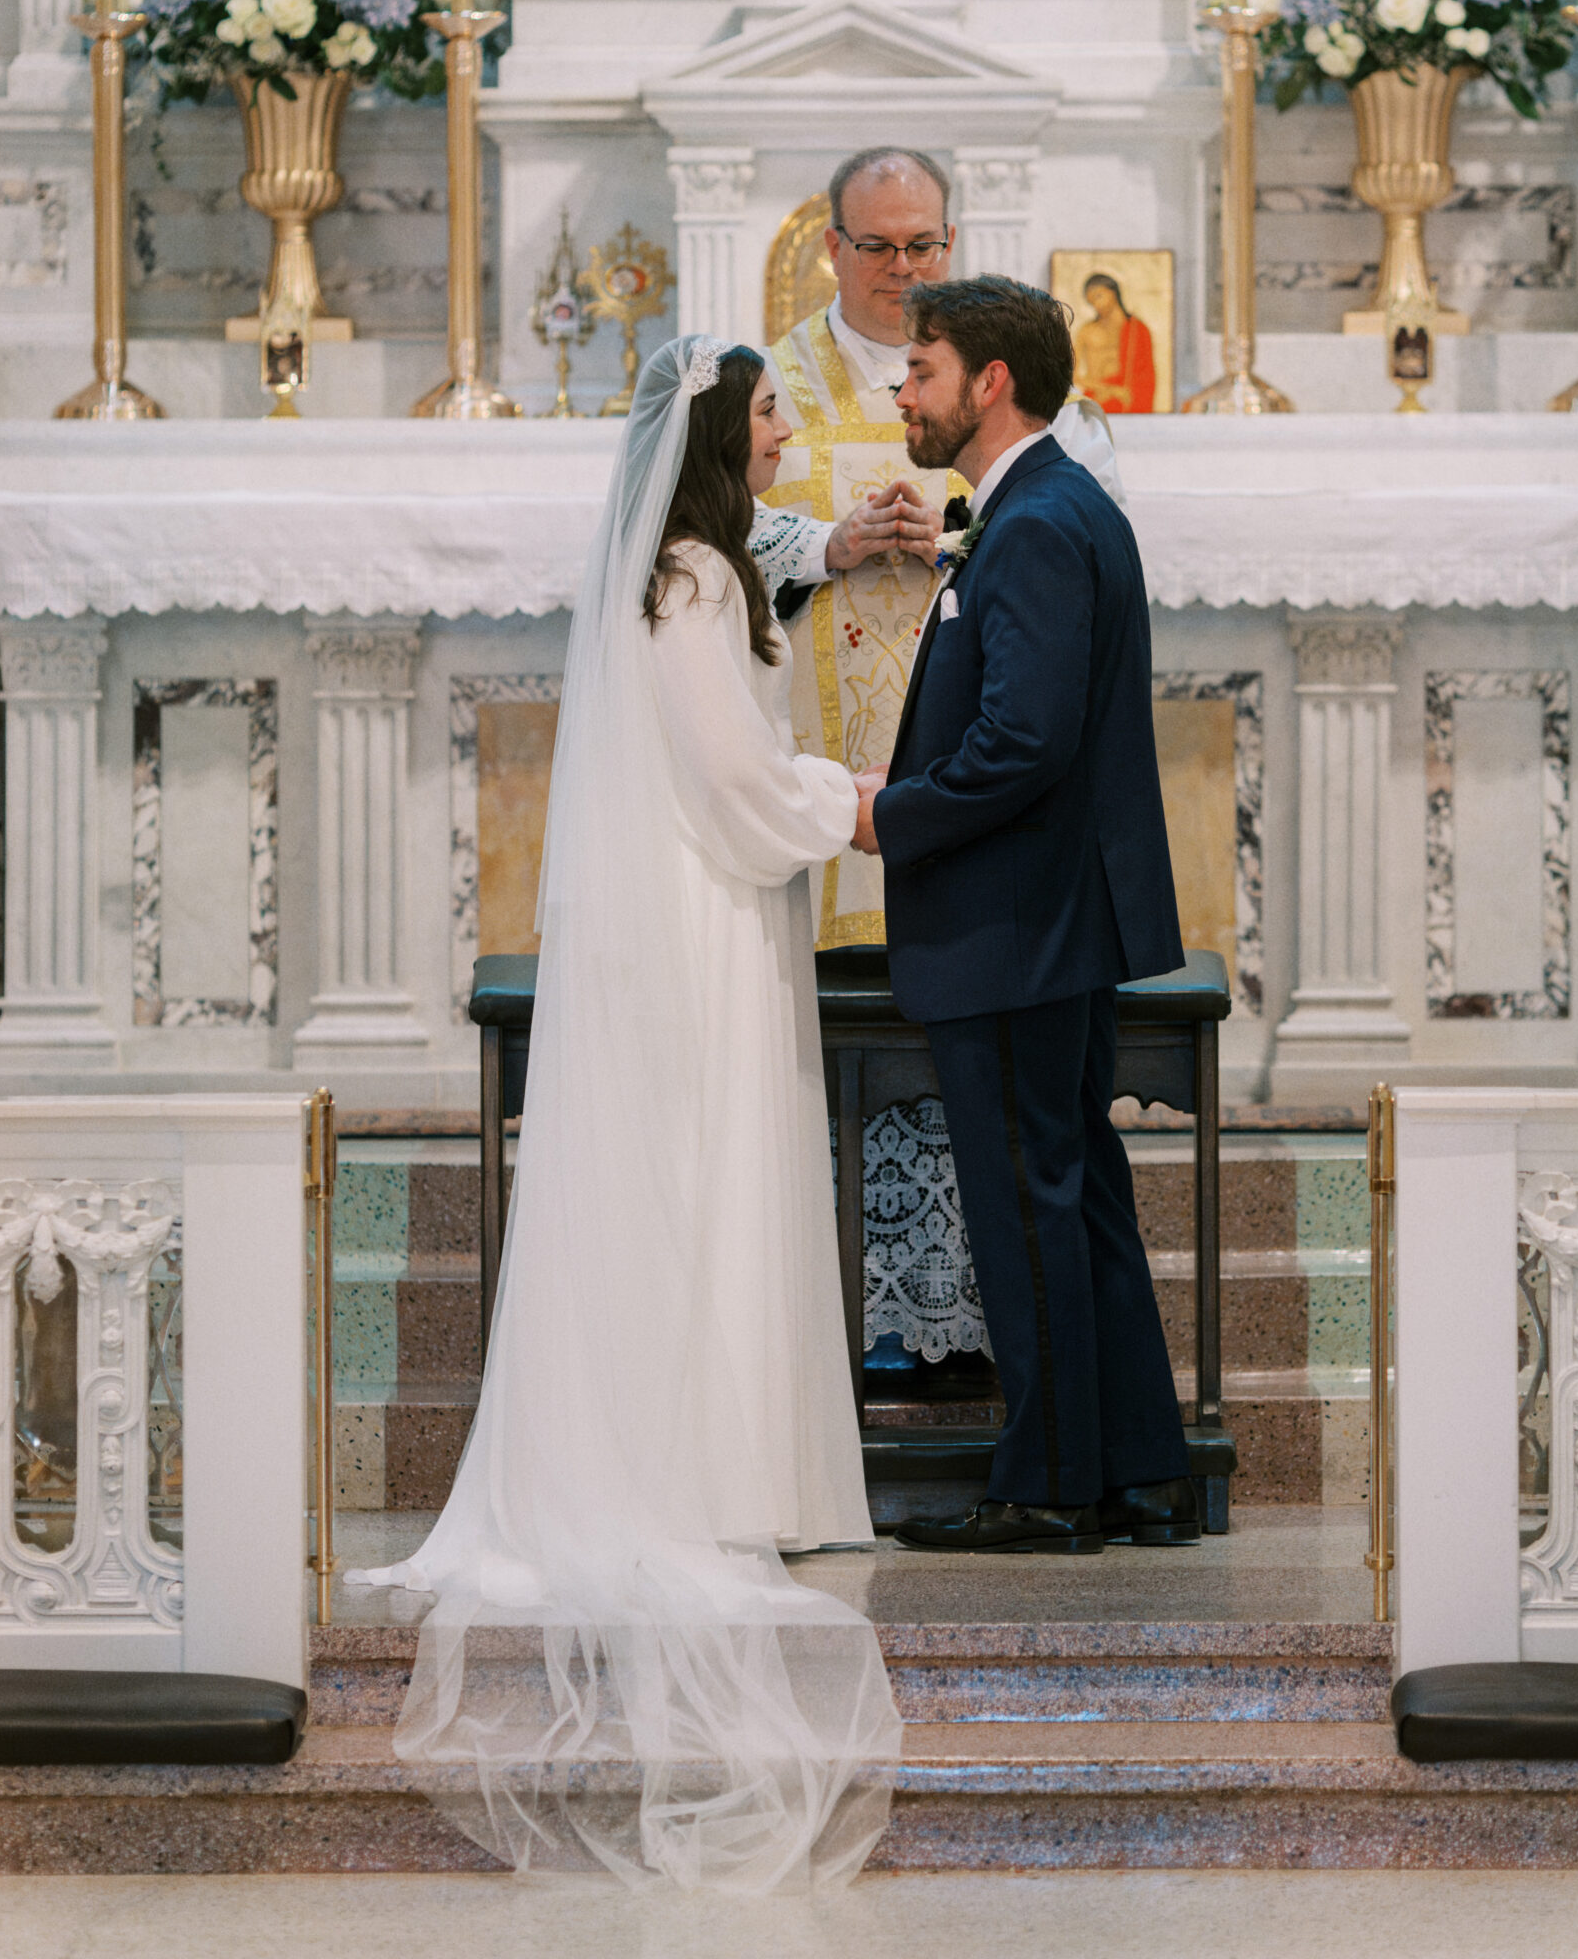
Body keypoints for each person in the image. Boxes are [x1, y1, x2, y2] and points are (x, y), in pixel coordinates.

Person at [351, 336, 902, 1891]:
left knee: (706, 1166)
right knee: (708, 1165)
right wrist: (844, 801)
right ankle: (710, 1474)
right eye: (777, 409)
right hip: (705, 899)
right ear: (727, 434)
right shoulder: (696, 583)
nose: (795, 427)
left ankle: (729, 1463)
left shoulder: (696, 571)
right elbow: (729, 772)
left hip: (698, 893)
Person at [750, 145, 1127, 1366]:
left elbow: (1082, 500)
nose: (902, 270)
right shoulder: (773, 381)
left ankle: (982, 1346)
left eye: (924, 246)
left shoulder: (1001, 367)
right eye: (878, 247)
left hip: (973, 816)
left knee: (1004, 1116)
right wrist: (827, 541)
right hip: (833, 782)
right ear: (832, 246)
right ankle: (858, 1326)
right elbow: (699, 530)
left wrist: (953, 525)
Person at [853, 276, 1199, 1556]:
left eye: (923, 367)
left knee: (1028, 1200)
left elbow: (1025, 744)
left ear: (989, 380)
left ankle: (1049, 1482)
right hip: (1046, 914)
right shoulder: (1048, 507)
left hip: (1017, 920)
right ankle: (1136, 1467)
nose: (906, 390)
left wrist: (895, 814)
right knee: (1076, 1188)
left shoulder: (1042, 522)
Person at [1072, 270, 1157, 413]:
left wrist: (1121, 393)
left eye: (1099, 296)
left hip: (1128, 400)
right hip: (1097, 398)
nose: (1097, 305)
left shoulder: (1137, 330)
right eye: (1092, 302)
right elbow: (1072, 375)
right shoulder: (1087, 331)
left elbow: (1146, 376)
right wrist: (1111, 390)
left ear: (1114, 292)